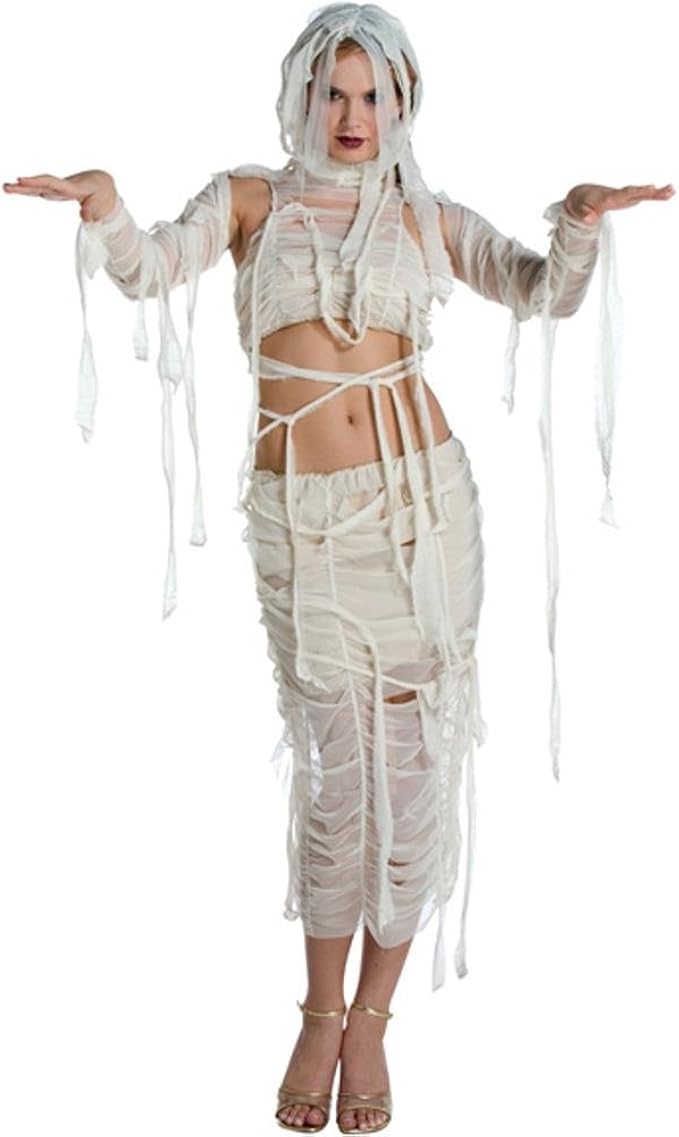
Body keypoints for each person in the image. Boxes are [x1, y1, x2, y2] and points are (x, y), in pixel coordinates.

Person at [3, 3, 673, 1133]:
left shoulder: (424, 215)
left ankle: (371, 1022)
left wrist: (578, 221)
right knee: (333, 779)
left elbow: (538, 290)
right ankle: (318, 1012)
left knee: (410, 779)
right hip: (303, 528)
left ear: (402, 104)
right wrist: (106, 201)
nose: (352, 116)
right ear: (301, 96)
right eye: (334, 94)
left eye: (373, 96)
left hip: (424, 517)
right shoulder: (251, 201)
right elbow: (149, 268)